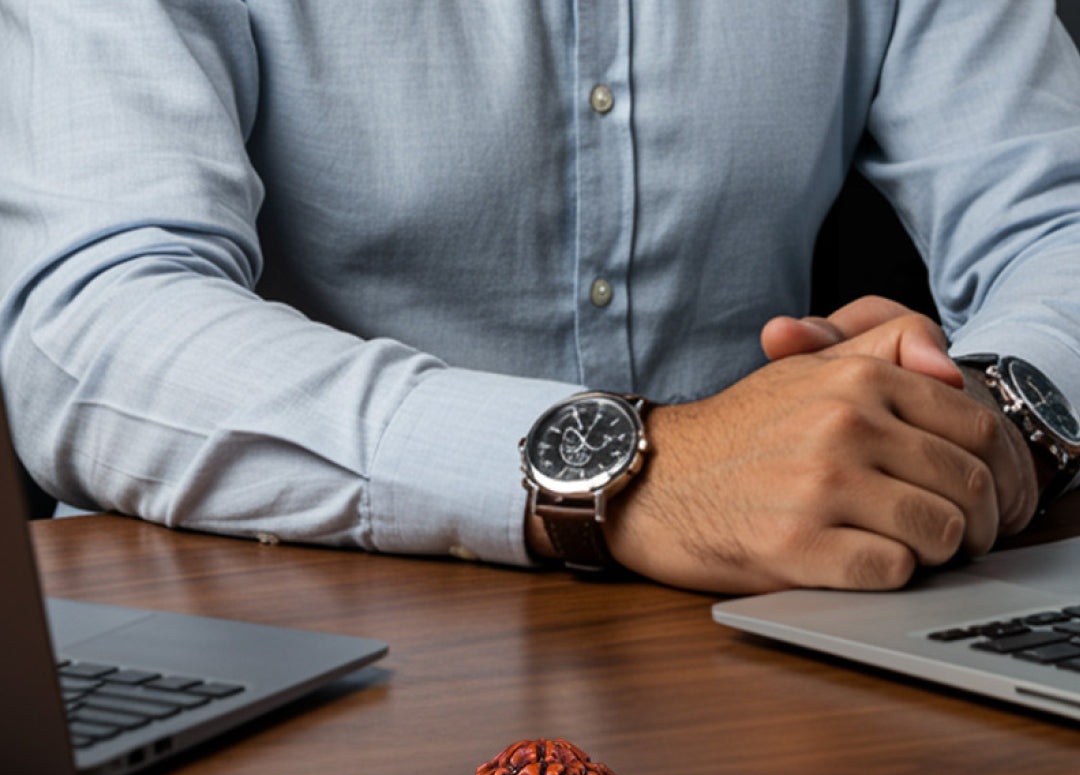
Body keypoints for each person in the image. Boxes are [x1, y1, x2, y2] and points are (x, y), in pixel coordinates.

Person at [1, 1, 1079, 595]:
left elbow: (1057, 222)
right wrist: (635, 470)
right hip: (289, 655)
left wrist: (976, 426)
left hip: (768, 650)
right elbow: (95, 324)